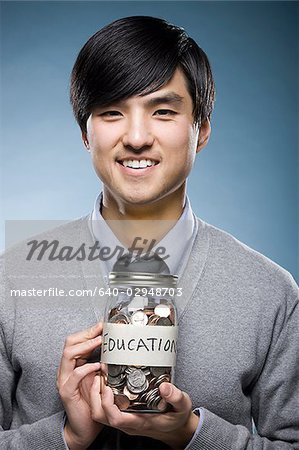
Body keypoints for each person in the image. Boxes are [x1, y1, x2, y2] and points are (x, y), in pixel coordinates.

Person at [1, 15, 298, 450]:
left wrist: (192, 435)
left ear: (202, 130)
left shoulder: (270, 291)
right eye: (111, 112)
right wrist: (65, 436)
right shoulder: (12, 279)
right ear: (86, 133)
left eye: (163, 111)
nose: (137, 137)